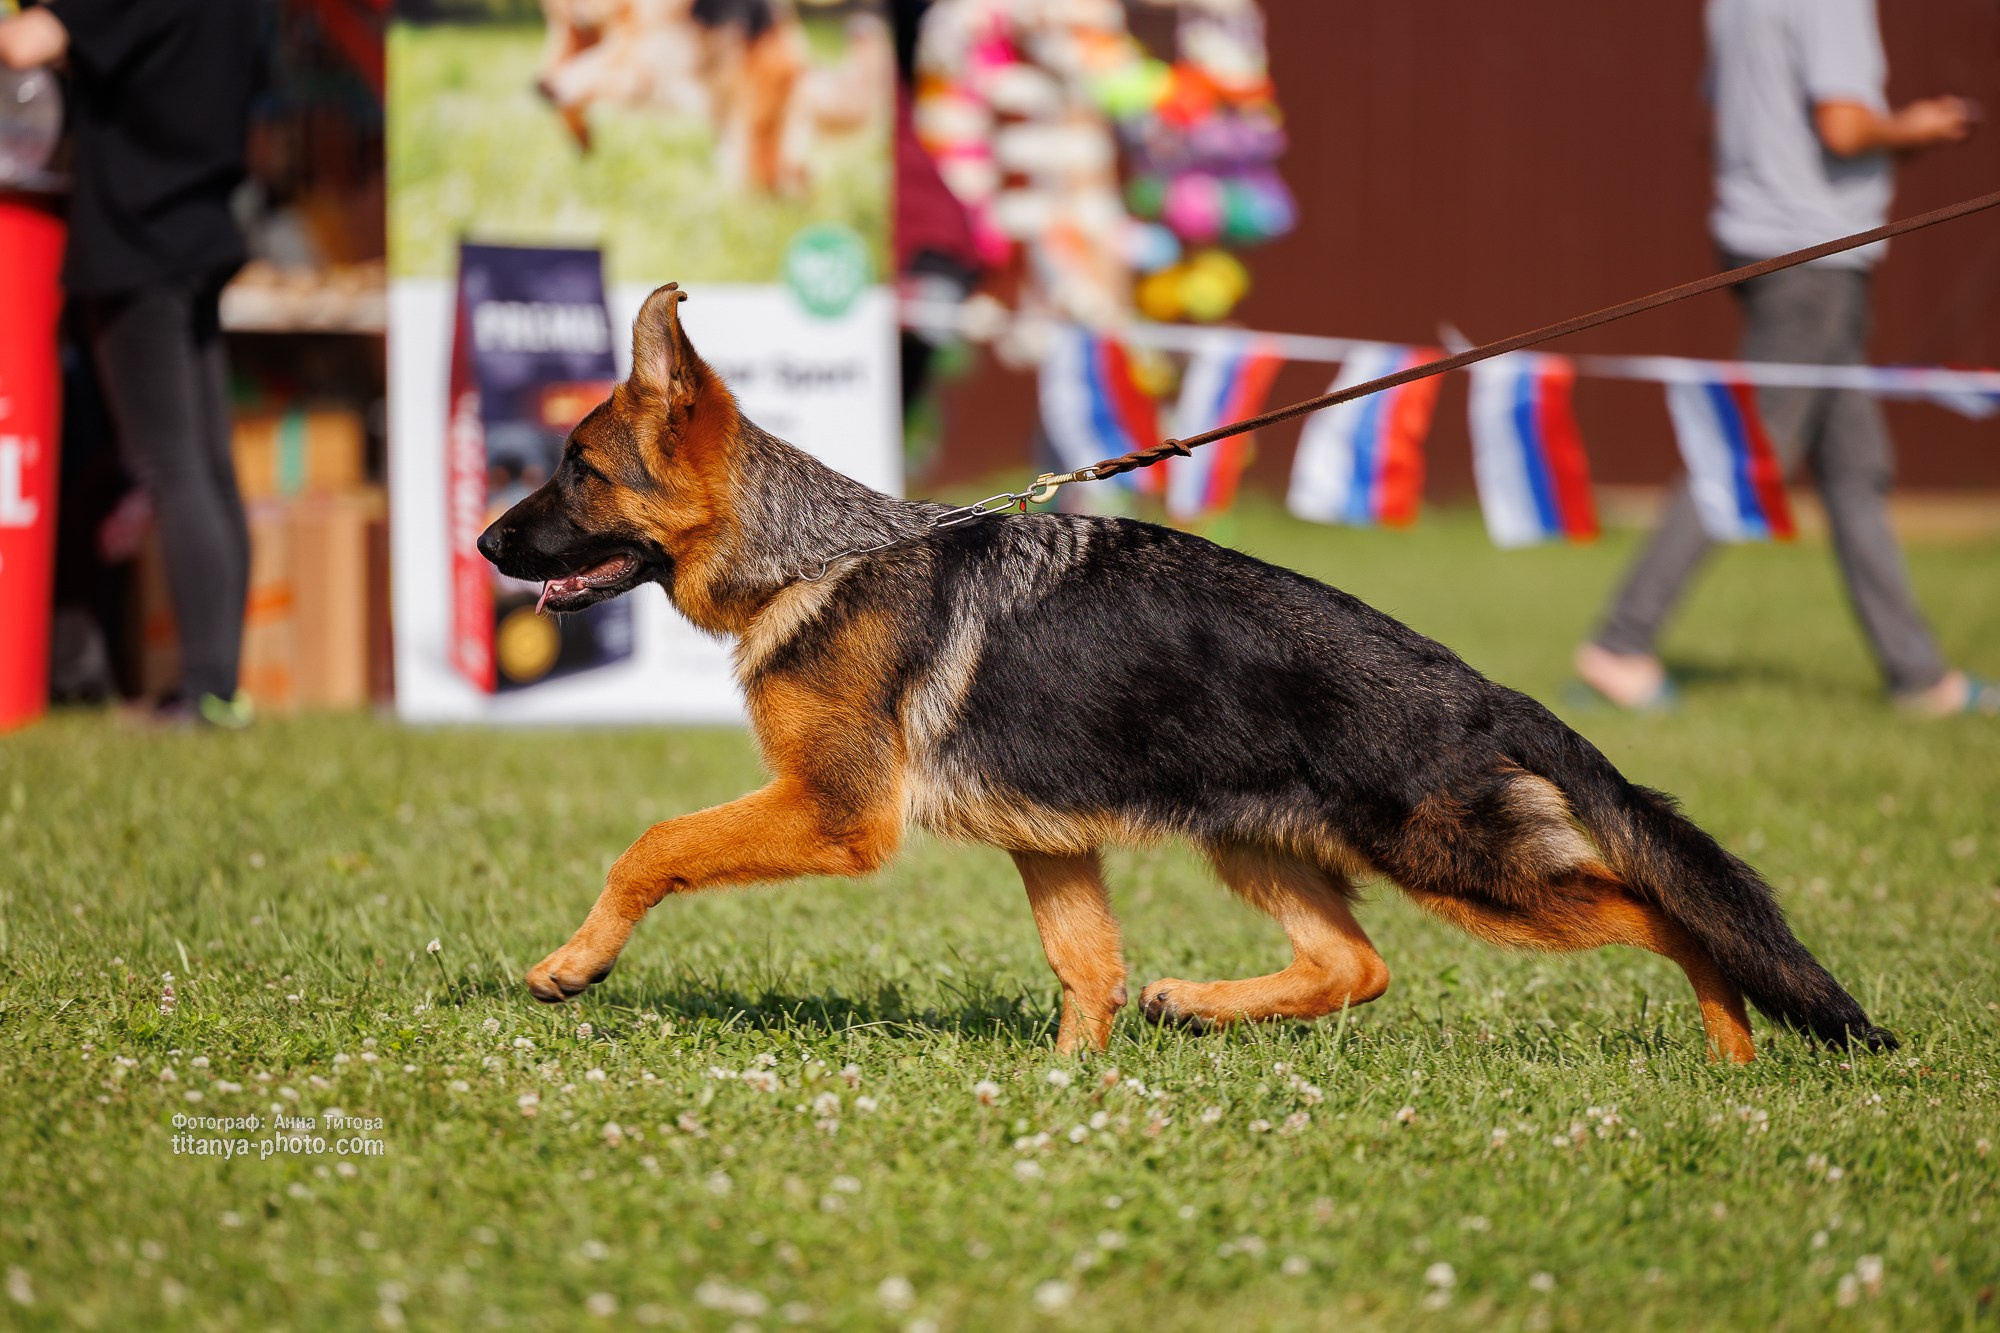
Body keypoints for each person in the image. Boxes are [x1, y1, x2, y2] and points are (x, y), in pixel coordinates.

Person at [1574, 0, 1991, 718]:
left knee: (1854, 468)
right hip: (1815, 257)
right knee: (1744, 452)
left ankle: (1920, 676)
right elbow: (1844, 126)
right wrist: (1918, 128)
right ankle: (1621, 642)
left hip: (1759, 239)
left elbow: (1714, 119)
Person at [0, 0, 263, 727]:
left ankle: (204, 691)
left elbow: (24, 44)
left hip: (136, 242)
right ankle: (220, 688)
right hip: (200, 228)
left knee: (172, 469)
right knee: (208, 467)